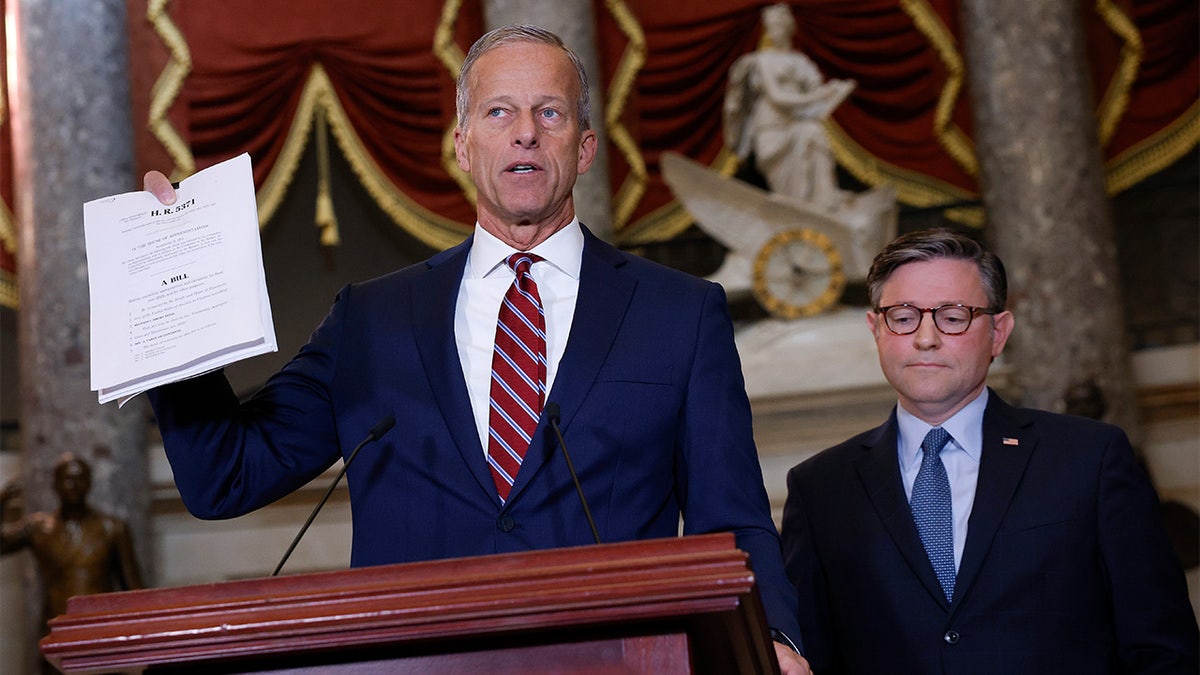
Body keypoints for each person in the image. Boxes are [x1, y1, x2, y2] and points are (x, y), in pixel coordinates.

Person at [140, 25, 810, 673]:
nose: (525, 130)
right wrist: (171, 297)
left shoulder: (681, 314)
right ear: (462, 145)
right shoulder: (370, 320)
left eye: (549, 112)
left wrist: (774, 638)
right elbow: (226, 475)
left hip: (617, 661)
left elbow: (735, 521)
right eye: (498, 111)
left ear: (584, 148)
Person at [780, 227, 1199, 673]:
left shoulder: (1088, 459)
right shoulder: (821, 488)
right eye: (903, 317)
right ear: (876, 330)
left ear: (998, 332)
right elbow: (810, 658)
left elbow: (1163, 649)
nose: (925, 338)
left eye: (953, 316)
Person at [724, 3, 854, 211]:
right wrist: (818, 95)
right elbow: (777, 97)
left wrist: (836, 91)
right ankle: (798, 210)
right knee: (789, 195)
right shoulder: (763, 60)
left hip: (799, 122)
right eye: (771, 25)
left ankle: (825, 199)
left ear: (788, 27)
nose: (774, 30)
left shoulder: (801, 61)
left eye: (778, 24)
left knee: (815, 132)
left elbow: (820, 97)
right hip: (773, 127)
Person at [1, 454, 144, 637]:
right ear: (55, 483)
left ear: (90, 483)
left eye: (81, 478)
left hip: (103, 628)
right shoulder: (39, 528)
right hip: (56, 627)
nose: (75, 485)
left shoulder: (112, 529)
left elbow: (133, 588)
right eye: (68, 479)